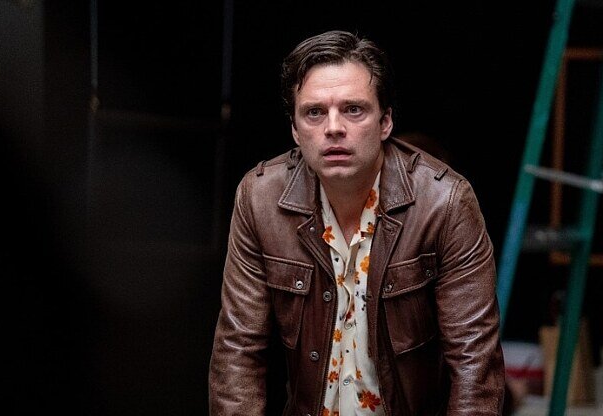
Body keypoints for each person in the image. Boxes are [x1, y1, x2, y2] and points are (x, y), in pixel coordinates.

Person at [209, 29, 505, 415]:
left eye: (353, 109)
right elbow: (239, 350)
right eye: (314, 112)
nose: (333, 127)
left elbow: (474, 365)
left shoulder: (444, 202)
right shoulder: (260, 198)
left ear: (385, 122)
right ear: (295, 129)